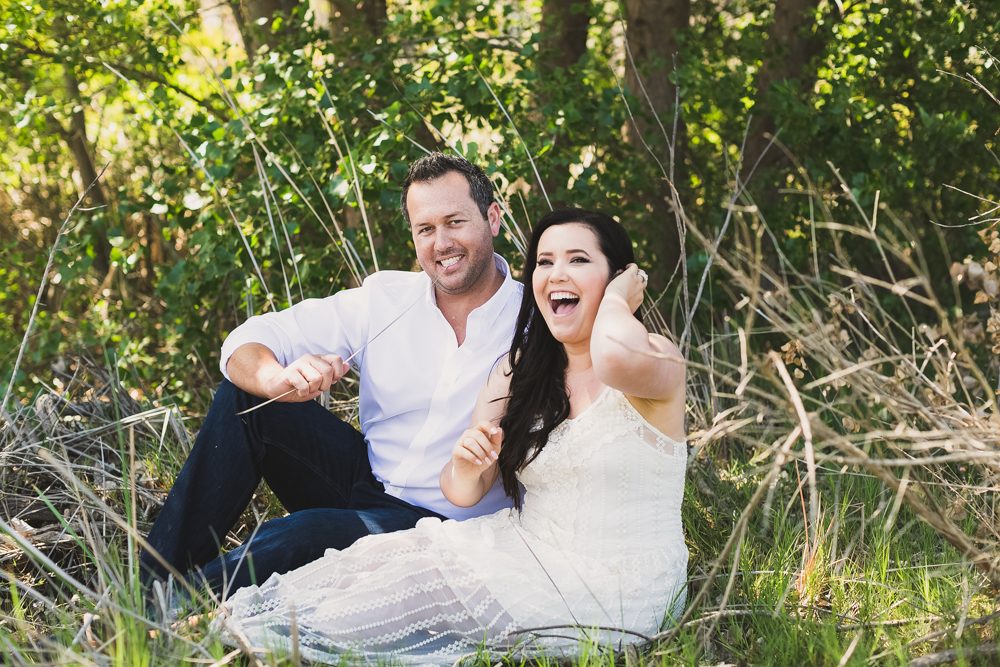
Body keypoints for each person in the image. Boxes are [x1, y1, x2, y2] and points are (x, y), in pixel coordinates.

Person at [220, 208, 689, 664]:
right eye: (545, 263)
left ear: (619, 278)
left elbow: (611, 357)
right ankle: (209, 620)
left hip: (620, 584)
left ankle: (252, 636)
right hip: (522, 548)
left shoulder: (654, 361)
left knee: (403, 594)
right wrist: (467, 464)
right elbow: (461, 490)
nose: (555, 274)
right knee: (370, 566)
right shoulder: (520, 370)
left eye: (579, 260)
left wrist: (616, 300)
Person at [140, 153, 523, 597]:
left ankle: (164, 612)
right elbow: (250, 338)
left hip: (448, 526)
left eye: (455, 222)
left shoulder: (534, 322)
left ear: (493, 218)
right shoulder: (386, 298)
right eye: (425, 229)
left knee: (299, 535)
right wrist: (276, 380)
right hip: (364, 483)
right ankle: (152, 582)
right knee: (246, 399)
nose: (441, 243)